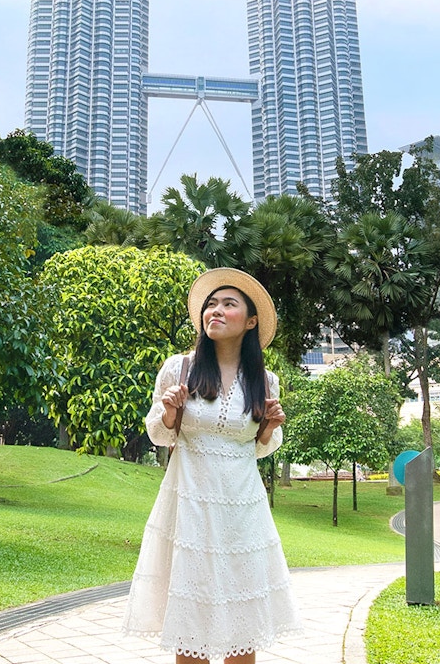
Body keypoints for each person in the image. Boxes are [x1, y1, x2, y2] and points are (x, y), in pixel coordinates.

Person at [122, 268, 302, 664]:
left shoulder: (265, 380)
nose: (215, 311)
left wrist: (270, 426)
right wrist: (169, 411)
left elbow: (261, 448)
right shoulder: (179, 368)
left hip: (242, 510)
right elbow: (159, 434)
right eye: (211, 304)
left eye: (228, 304)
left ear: (251, 321)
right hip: (188, 504)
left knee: (242, 622)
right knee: (191, 621)